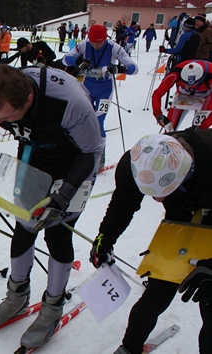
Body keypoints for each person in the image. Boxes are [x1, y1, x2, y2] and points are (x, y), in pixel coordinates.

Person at [0, 64, 103, 349]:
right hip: (34, 155)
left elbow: (92, 152)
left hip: (76, 163)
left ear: (27, 101)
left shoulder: (70, 101)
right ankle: (17, 295)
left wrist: (63, 197)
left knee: (57, 233)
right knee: (24, 227)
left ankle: (52, 307)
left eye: (4, 119)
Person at [89, 132, 212, 354]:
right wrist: (105, 237)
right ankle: (130, 348)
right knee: (155, 296)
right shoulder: (140, 162)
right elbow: (123, 204)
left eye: (164, 192)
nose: (158, 201)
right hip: (180, 220)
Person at [63, 24, 138, 168]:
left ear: (105, 39)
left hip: (105, 89)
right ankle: (81, 152)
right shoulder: (84, 45)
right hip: (87, 88)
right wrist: (78, 61)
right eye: (94, 42)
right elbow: (65, 60)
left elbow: (134, 69)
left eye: (100, 42)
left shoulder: (114, 47)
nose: (96, 45)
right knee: (83, 119)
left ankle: (100, 155)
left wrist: (119, 68)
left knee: (98, 122)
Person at [151, 59, 212, 131]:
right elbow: (157, 93)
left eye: (190, 85)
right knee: (170, 128)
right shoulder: (175, 73)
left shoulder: (210, 75)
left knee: (200, 130)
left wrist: (204, 125)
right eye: (184, 83)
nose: (187, 86)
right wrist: (158, 114)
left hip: (205, 95)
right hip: (183, 93)